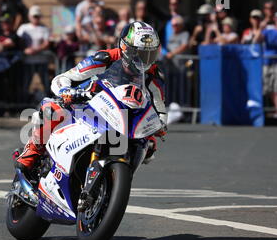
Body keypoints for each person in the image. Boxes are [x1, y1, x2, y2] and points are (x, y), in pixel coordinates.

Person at [15, 21, 168, 183]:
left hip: (122, 114)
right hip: (87, 104)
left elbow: (160, 107)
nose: (145, 60)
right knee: (51, 110)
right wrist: (65, 91)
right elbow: (65, 77)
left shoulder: (154, 74)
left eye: (150, 54)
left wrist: (160, 125)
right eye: (141, 54)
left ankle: (116, 178)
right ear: (126, 49)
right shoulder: (106, 58)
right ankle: (31, 153)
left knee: (149, 144)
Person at [17, 5, 51, 103]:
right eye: (34, 16)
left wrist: (35, 50)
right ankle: (23, 104)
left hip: (41, 60)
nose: (36, 18)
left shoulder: (44, 28)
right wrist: (24, 50)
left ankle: (49, 103)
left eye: (37, 16)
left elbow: (46, 43)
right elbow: (19, 41)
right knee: (26, 84)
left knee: (45, 83)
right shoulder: (24, 27)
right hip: (28, 61)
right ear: (30, 17)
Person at [164, 15, 190, 106]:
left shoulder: (185, 34)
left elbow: (184, 46)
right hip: (171, 68)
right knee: (172, 91)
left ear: (181, 25)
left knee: (182, 91)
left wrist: (172, 54)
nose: (174, 27)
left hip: (182, 68)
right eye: (172, 25)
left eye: (176, 25)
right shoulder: (171, 36)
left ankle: (184, 111)